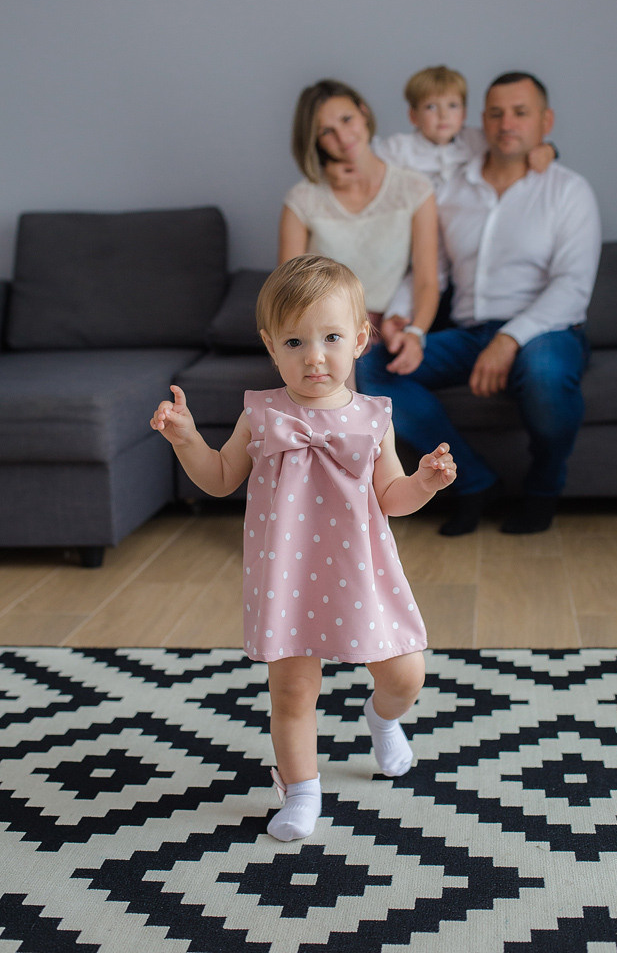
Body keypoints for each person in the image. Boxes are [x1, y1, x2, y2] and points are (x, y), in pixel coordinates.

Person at [150, 255, 456, 841]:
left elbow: (390, 497)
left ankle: (382, 717)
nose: (314, 356)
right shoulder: (261, 413)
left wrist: (423, 483)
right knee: (292, 691)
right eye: (295, 341)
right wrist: (186, 438)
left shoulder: (373, 418)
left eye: (332, 337)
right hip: (287, 574)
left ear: (361, 339)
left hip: (360, 570)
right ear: (271, 347)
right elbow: (218, 478)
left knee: (405, 674)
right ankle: (300, 789)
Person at [357, 72, 601, 536]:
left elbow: (572, 287)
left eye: (520, 112)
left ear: (545, 121)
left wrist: (510, 339)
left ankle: (543, 489)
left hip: (547, 333)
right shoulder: (450, 192)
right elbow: (432, 272)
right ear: (481, 122)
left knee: (546, 373)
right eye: (496, 112)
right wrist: (399, 320)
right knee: (373, 368)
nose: (506, 122)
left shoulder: (569, 191)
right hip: (470, 334)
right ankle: (474, 481)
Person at [370, 65, 556, 324]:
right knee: (415, 281)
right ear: (413, 116)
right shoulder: (400, 149)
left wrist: (549, 149)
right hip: (413, 238)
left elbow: (515, 145)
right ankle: (400, 321)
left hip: (456, 237)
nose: (443, 115)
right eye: (431, 107)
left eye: (453, 106)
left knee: (450, 291)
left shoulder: (474, 140)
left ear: (465, 113)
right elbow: (365, 164)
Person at [279, 79, 440, 375]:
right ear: (315, 141)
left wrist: (415, 333)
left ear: (364, 113)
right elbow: (287, 292)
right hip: (321, 337)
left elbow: (427, 281)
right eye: (327, 131)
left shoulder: (413, 189)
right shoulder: (302, 199)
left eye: (347, 119)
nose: (343, 137)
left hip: (391, 330)